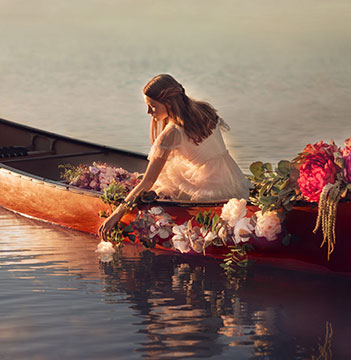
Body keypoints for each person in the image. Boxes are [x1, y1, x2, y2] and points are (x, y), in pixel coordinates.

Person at [97, 74, 250, 239]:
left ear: (169, 103)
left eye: (153, 106)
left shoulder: (172, 132)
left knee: (157, 183)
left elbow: (148, 181)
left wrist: (117, 214)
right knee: (170, 173)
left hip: (209, 190)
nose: (148, 112)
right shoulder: (203, 109)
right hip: (232, 180)